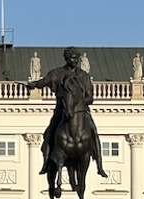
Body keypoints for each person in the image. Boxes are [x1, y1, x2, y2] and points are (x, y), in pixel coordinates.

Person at [26, 47, 106, 177]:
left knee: (93, 132)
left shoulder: (83, 76)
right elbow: (44, 82)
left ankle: (99, 165)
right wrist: (34, 84)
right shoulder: (57, 73)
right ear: (66, 58)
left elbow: (90, 98)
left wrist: (76, 104)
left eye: (76, 58)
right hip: (61, 111)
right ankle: (46, 163)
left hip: (81, 112)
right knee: (50, 133)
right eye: (72, 58)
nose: (74, 61)